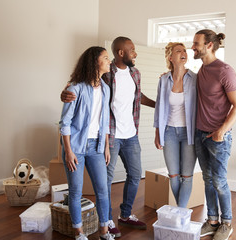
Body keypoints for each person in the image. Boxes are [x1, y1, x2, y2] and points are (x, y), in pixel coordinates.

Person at [61, 37, 155, 237]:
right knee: (93, 186)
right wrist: (65, 92)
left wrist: (160, 105)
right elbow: (79, 87)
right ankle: (93, 227)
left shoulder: (131, 75)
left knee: (128, 177)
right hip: (98, 140)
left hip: (119, 138)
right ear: (120, 52)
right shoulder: (105, 77)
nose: (135, 53)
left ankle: (120, 218)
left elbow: (136, 98)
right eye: (132, 50)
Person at [191, 29, 236, 240]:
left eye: (196, 43)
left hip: (219, 137)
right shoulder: (202, 69)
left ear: (209, 45)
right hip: (200, 134)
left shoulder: (225, 70)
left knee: (219, 181)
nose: (193, 47)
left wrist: (222, 130)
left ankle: (227, 223)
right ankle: (212, 220)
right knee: (207, 179)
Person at [59, 46, 114, 240]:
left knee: (103, 190)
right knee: (75, 191)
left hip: (97, 147)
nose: (110, 61)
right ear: (94, 62)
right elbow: (64, 123)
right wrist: (68, 151)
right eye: (106, 58)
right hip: (75, 147)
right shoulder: (75, 88)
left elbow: (105, 121)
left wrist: (106, 147)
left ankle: (104, 232)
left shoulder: (106, 89)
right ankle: (79, 233)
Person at [153, 42, 197, 208]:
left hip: (189, 133)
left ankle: (180, 212)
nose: (183, 53)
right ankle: (181, 213)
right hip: (169, 132)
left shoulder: (195, 79)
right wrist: (158, 133)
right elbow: (159, 108)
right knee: (173, 175)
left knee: (186, 176)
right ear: (171, 57)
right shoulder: (164, 80)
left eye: (184, 50)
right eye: (178, 51)